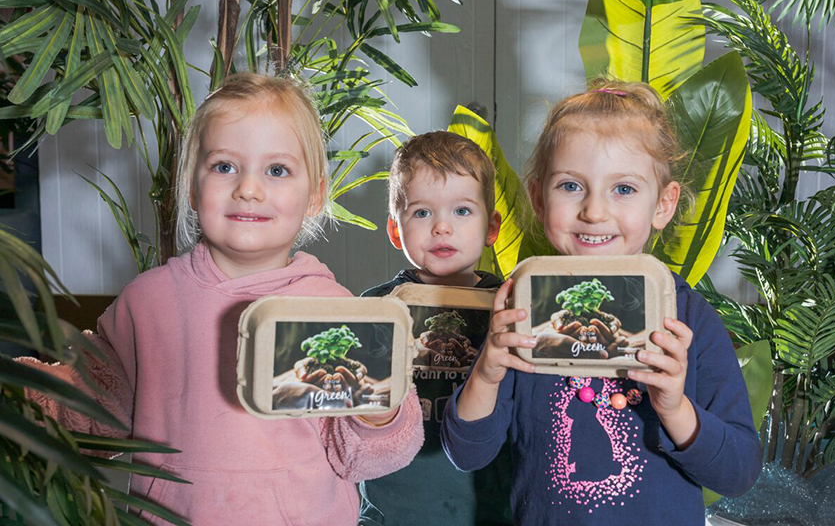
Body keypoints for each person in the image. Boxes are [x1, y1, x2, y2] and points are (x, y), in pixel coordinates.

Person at [19, 73, 423, 526]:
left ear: (315, 196)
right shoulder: (150, 303)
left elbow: (367, 459)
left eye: (277, 170)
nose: (248, 188)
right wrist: (18, 394)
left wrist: (378, 411)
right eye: (225, 166)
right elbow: (93, 407)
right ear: (192, 187)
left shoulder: (333, 310)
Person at [441, 81, 762, 525]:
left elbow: (739, 472)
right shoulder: (521, 310)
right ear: (537, 197)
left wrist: (674, 408)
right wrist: (489, 371)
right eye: (571, 185)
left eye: (624, 189)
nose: (594, 211)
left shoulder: (689, 319)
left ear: (663, 204)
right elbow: (467, 452)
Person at [358, 131, 514, 525]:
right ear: (396, 230)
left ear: (491, 227)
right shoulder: (374, 310)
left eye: (462, 211)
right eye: (422, 213)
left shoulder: (512, 308)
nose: (442, 227)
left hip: (491, 509)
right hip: (392, 511)